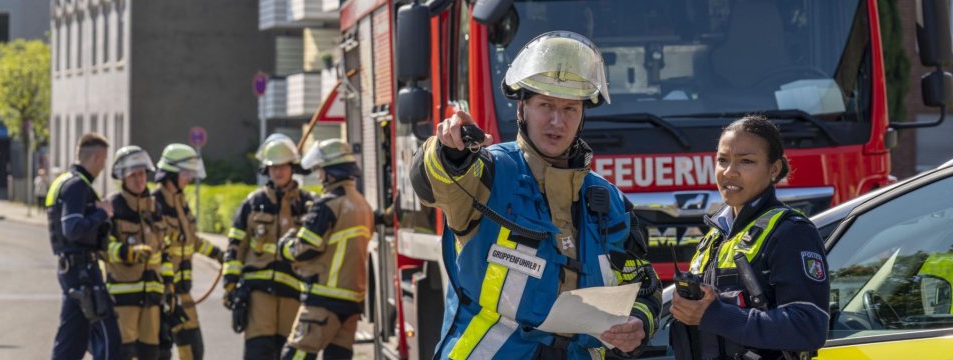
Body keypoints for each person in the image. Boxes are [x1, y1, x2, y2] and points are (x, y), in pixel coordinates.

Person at [410, 31, 662, 359]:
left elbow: (643, 287)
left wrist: (638, 323)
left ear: (582, 115)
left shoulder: (607, 199)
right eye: (546, 105)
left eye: (570, 108)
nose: (557, 121)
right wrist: (449, 150)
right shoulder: (488, 173)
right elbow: (435, 181)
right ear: (522, 108)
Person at [669, 115, 830, 360]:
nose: (729, 172)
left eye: (746, 161)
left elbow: (808, 327)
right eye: (722, 160)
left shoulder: (791, 232)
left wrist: (714, 315)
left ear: (774, 169)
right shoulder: (714, 236)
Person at [277, 139, 373, 359]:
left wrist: (285, 246)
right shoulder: (362, 204)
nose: (318, 176)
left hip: (323, 300)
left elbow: (305, 248)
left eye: (320, 171)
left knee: (294, 356)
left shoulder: (327, 204)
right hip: (352, 302)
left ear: (330, 173)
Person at [221, 134, 314, 359]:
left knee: (288, 353)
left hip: (294, 296)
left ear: (292, 167)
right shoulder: (253, 204)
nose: (277, 172)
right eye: (272, 167)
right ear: (266, 170)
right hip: (258, 298)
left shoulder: (308, 205)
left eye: (282, 166)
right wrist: (230, 286)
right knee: (257, 353)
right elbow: (235, 247)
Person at [47, 132, 122, 360]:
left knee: (72, 341)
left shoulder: (63, 181)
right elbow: (73, 229)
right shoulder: (78, 185)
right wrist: (102, 212)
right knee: (110, 338)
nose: (103, 166)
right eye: (104, 159)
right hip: (83, 272)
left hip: (72, 271)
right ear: (98, 157)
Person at [153, 143, 223, 360]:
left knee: (193, 350)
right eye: (186, 173)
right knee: (160, 351)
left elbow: (191, 240)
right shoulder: (154, 205)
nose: (190, 178)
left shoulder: (180, 202)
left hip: (183, 294)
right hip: (162, 294)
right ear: (170, 174)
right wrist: (165, 290)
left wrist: (219, 254)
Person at [105, 146, 171, 360]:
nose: (139, 179)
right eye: (133, 174)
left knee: (150, 354)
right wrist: (127, 252)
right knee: (125, 354)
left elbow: (165, 250)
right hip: (123, 300)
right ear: (122, 176)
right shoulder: (112, 207)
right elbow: (103, 247)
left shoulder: (154, 207)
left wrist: (169, 285)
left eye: (142, 173)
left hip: (152, 299)